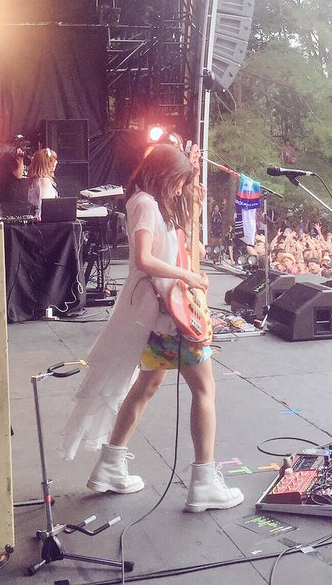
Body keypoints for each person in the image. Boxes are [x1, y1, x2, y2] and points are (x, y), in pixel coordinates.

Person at [62, 143, 243, 513]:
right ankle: (203, 482)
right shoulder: (145, 203)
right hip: (172, 316)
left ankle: (111, 465)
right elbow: (143, 259)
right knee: (204, 390)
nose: (178, 190)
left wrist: (192, 201)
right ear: (163, 174)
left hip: (161, 314)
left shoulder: (149, 202)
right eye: (177, 182)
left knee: (147, 385)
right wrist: (187, 276)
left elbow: (176, 248)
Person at [26, 147, 58, 219]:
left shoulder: (37, 180)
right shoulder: (44, 181)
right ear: (47, 164)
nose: (56, 162)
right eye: (53, 160)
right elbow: (46, 206)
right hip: (43, 220)